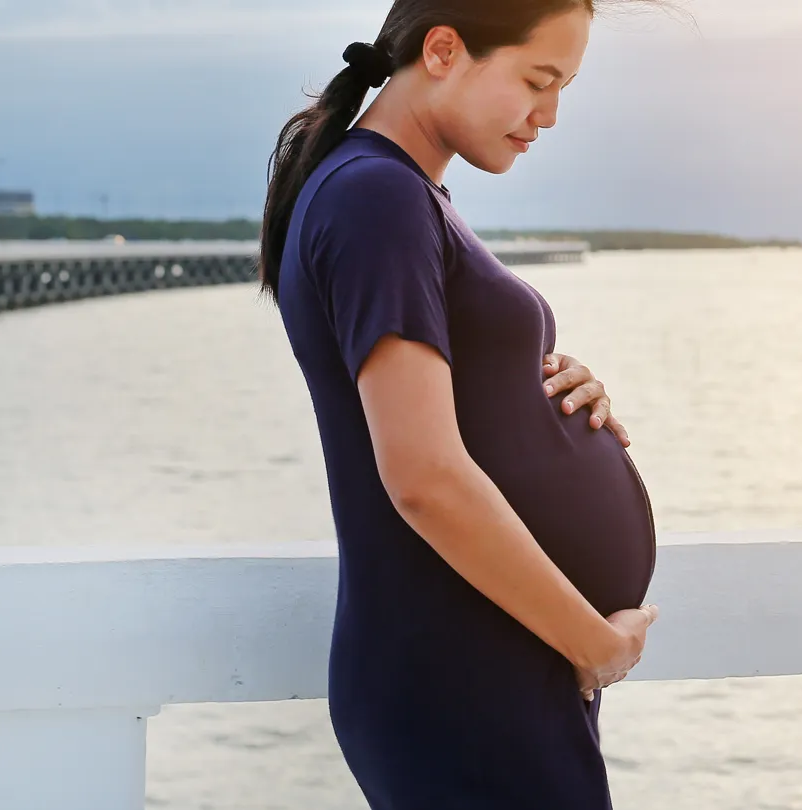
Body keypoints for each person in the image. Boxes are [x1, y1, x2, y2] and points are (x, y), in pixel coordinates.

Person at [255, 1, 660, 806]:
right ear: (443, 50)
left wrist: (543, 385)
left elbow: (449, 405)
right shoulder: (376, 197)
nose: (548, 116)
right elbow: (424, 475)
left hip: (487, 666)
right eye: (537, 81)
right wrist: (594, 644)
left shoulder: (398, 193)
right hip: (466, 675)